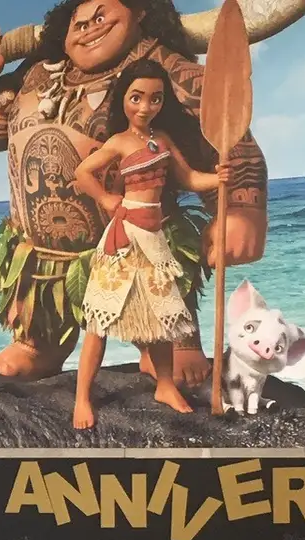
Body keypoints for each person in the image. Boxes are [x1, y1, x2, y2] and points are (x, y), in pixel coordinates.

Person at [0, 0, 268, 394]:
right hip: (43, 263)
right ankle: (38, 341)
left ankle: (170, 345)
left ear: (141, 12)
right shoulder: (37, 72)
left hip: (137, 238)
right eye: (78, 20)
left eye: (101, 16)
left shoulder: (161, 68)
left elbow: (225, 126)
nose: (88, 26)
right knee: (39, 324)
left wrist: (241, 208)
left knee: (157, 296)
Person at [70, 60, 220, 420]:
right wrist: (106, 198)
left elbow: (189, 178)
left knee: (162, 317)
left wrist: (221, 178)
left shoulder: (161, 140)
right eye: (136, 98)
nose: (144, 107)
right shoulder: (119, 142)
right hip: (124, 238)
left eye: (155, 99)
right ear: (123, 98)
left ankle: (164, 384)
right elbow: (83, 172)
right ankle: (81, 398)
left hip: (153, 239)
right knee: (99, 322)